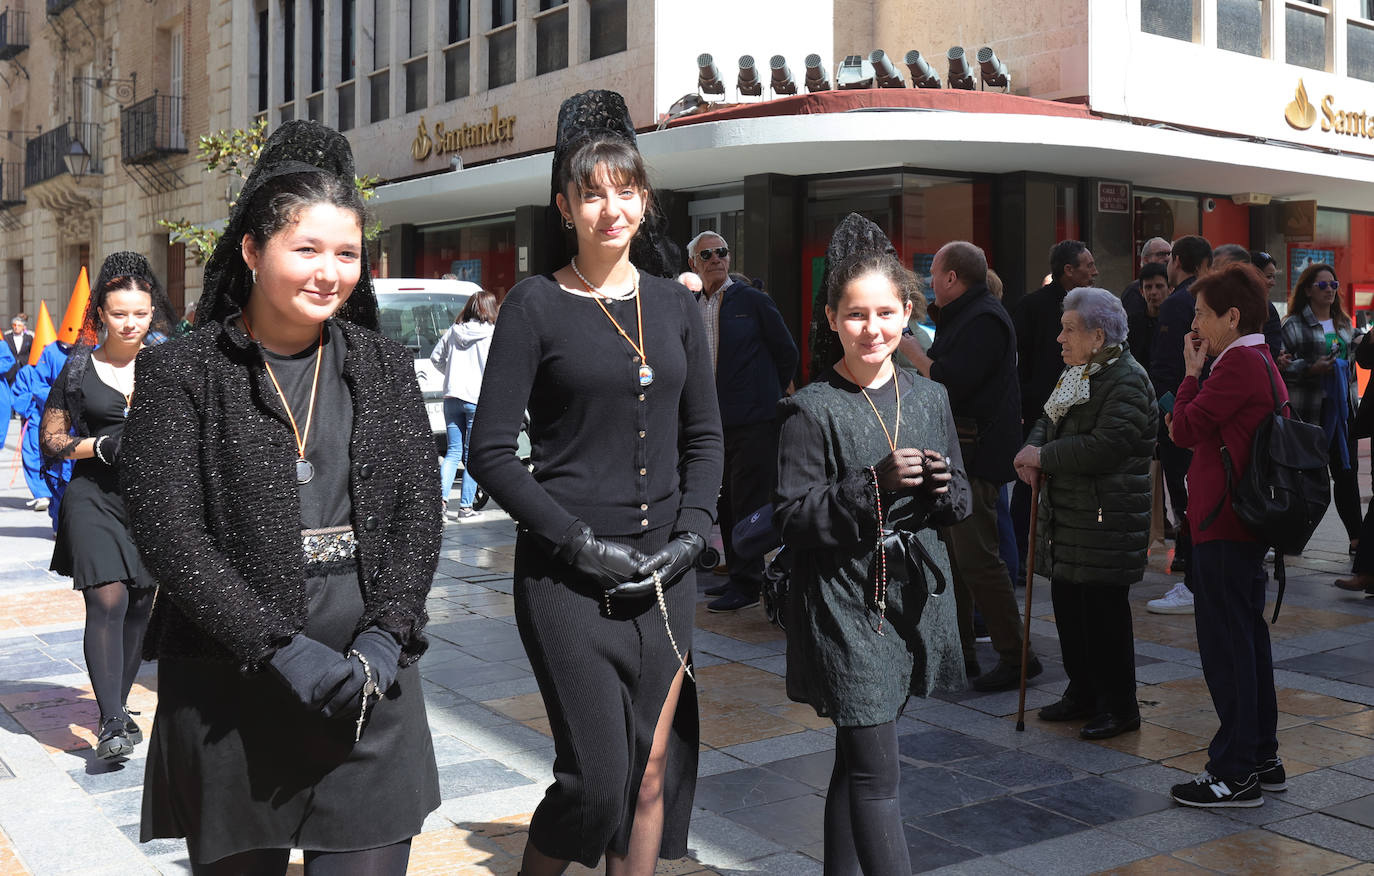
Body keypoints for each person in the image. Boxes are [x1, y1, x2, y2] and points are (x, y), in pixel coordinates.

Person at [120, 120, 442, 875]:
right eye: (307, 249)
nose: (329, 272)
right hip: (232, 691)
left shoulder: (387, 367)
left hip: (370, 685)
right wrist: (275, 646)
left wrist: (386, 638)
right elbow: (168, 532)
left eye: (346, 253)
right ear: (252, 250)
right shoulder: (183, 373)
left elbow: (417, 518)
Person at [467, 90, 723, 876]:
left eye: (625, 190)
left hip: (665, 576)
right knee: (595, 782)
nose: (611, 209)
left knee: (651, 772)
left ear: (646, 200)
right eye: (591, 194)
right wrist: (577, 542)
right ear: (565, 206)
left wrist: (693, 533)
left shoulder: (673, 306)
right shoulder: (536, 306)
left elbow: (705, 435)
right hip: (568, 579)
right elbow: (490, 453)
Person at [777, 213, 968, 875]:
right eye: (855, 315)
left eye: (885, 312)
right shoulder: (813, 408)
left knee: (856, 757)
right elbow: (794, 517)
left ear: (908, 313)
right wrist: (872, 486)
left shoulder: (931, 395)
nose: (872, 328)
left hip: (908, 597)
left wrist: (943, 489)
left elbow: (962, 502)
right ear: (832, 317)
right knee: (877, 775)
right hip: (842, 601)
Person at [38, 253, 174, 760]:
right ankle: (111, 722)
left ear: (152, 310)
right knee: (108, 599)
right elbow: (52, 439)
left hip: (151, 499)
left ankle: (117, 703)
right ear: (101, 312)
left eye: (140, 313)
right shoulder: (78, 368)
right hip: (92, 493)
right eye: (120, 313)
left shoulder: (170, 364)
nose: (131, 323)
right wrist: (97, 446)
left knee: (141, 603)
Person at [1166, 262, 1285, 808]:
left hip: (1223, 523)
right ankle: (1261, 755)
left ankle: (1235, 770)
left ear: (1232, 317)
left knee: (1228, 646)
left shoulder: (1237, 364)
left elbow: (1184, 428)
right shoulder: (1255, 359)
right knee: (1246, 639)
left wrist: (1191, 374)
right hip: (1237, 523)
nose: (1194, 325)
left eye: (1201, 314)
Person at [1014, 288, 1156, 740]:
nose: (1059, 338)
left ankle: (1120, 706)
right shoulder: (1076, 374)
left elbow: (1106, 446)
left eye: (1068, 330)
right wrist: (1031, 451)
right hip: (1070, 520)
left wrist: (1043, 456)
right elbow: (1047, 419)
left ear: (1098, 337)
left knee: (1104, 619)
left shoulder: (1127, 380)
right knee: (1070, 611)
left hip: (1103, 520)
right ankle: (1083, 693)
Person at [901, 241, 1042, 692]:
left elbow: (952, 382)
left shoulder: (983, 317)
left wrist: (914, 354)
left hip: (974, 457)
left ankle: (1016, 656)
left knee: (979, 558)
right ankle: (959, 651)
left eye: (935, 273)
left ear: (951, 278)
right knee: (956, 557)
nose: (929, 282)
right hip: (957, 453)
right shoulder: (967, 313)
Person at [687, 230, 798, 612]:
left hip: (754, 421)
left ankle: (748, 582)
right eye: (707, 254)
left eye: (722, 252)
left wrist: (766, 393)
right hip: (711, 424)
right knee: (727, 503)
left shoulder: (751, 300)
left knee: (749, 501)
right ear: (694, 263)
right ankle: (737, 573)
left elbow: (787, 351)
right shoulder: (692, 306)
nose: (716, 258)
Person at [1147, 234, 1212, 613]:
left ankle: (1192, 570)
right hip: (1198, 409)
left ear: (1176, 260)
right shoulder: (1201, 299)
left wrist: (1169, 411)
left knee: (1187, 495)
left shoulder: (1179, 303)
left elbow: (1166, 367)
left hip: (1185, 413)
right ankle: (1192, 564)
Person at [1280, 262, 1363, 554]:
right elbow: (1282, 367)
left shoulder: (1343, 323)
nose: (1330, 290)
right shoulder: (1293, 325)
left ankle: (1357, 539)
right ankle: (1291, 537)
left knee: (1346, 476)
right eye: (1323, 285)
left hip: (1341, 414)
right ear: (1308, 290)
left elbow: (1353, 364)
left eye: (1334, 285)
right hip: (1309, 414)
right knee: (1304, 479)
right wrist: (1310, 368)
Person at [430, 288, 499, 520]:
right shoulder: (492, 334)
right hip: (476, 399)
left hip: (452, 397)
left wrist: (449, 375)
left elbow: (435, 358)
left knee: (452, 453)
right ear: (490, 309)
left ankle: (439, 503)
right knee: (471, 455)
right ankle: (465, 507)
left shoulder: (454, 331)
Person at [1126, 262, 1170, 371]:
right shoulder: (1132, 323)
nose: (1153, 292)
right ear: (1141, 291)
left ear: (1170, 289)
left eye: (1159, 286)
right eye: (1148, 287)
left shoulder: (1176, 321)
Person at [1121, 237, 1172, 319]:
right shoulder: (1133, 291)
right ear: (1146, 259)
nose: (1167, 258)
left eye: (1169, 254)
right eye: (1161, 254)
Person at [5, 313, 32, 384]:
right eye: (14, 325)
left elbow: (31, 353)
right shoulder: (7, 337)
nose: (16, 327)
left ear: (23, 327)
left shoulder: (29, 338)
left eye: (19, 325)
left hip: (24, 368)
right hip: (10, 370)